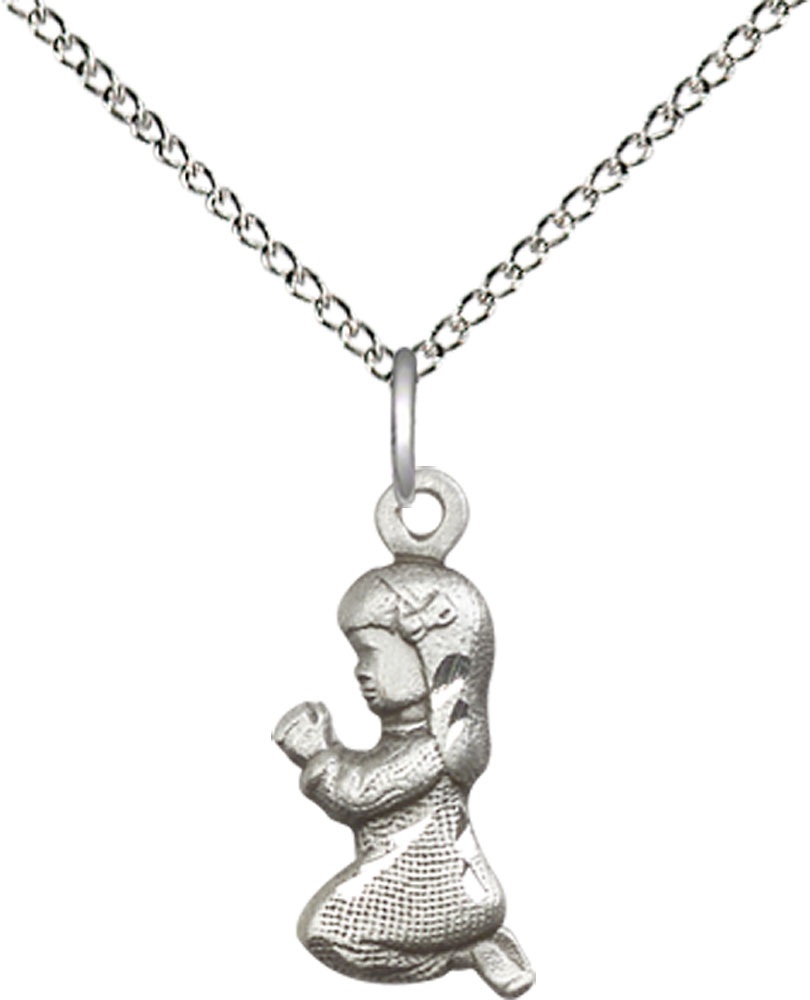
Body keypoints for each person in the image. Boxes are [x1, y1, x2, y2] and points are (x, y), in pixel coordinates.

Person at [274, 561, 535, 998]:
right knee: (324, 930)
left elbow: (357, 796)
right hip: (409, 882)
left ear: (428, 658)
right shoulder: (407, 741)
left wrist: (318, 754)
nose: (360, 671)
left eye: (370, 653)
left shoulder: (437, 749)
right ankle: (469, 950)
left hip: (441, 889)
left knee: (326, 931)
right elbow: (367, 777)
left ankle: (465, 952)